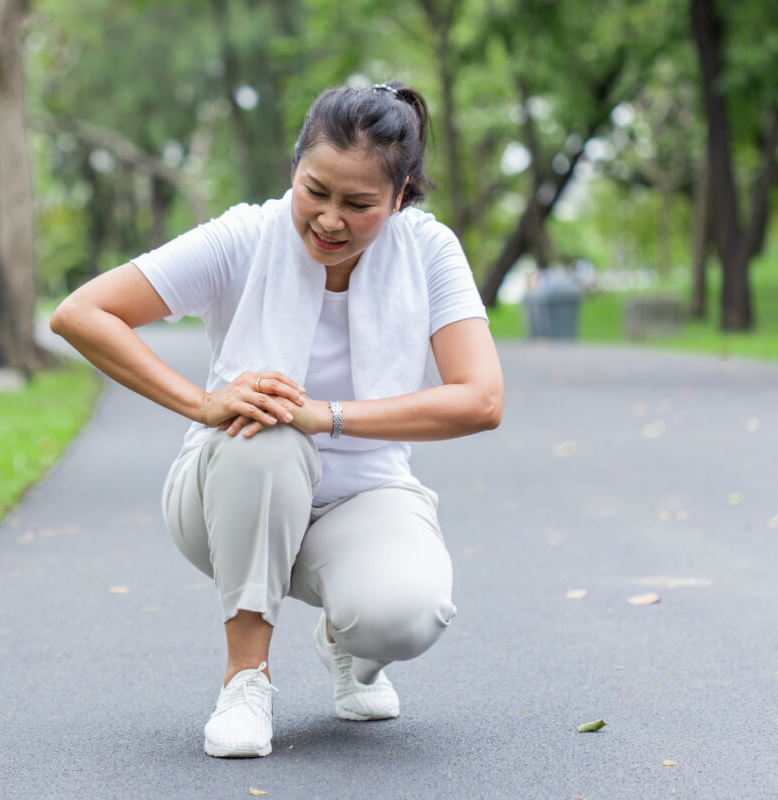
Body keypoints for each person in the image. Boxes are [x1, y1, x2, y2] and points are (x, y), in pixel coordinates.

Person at [51, 81, 504, 758]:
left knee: (408, 615)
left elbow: (481, 398)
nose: (328, 219)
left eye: (359, 204)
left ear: (402, 197)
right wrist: (202, 402)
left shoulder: (428, 252)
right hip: (226, 494)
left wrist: (328, 416)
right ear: (294, 169)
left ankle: (345, 644)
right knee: (268, 425)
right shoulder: (245, 236)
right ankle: (245, 682)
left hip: (364, 496)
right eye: (314, 191)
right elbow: (81, 313)